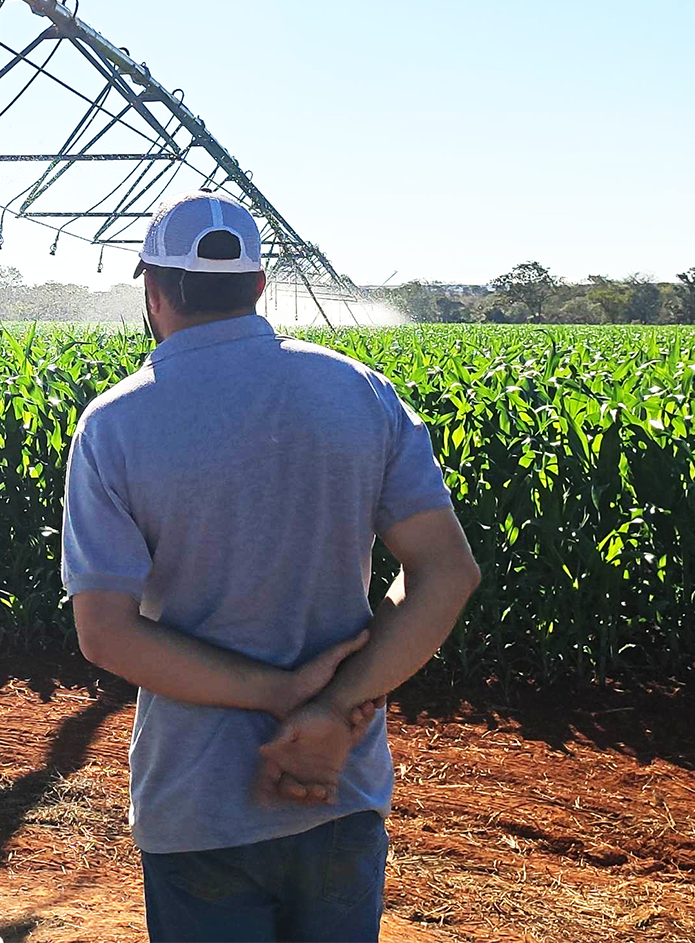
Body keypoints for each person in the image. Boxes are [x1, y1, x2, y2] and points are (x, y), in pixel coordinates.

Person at [62, 191, 481, 943]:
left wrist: (279, 694)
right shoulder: (360, 392)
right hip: (339, 785)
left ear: (153, 293)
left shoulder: (114, 424)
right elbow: (445, 573)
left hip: (199, 805)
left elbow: (107, 635)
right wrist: (330, 709)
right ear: (259, 287)